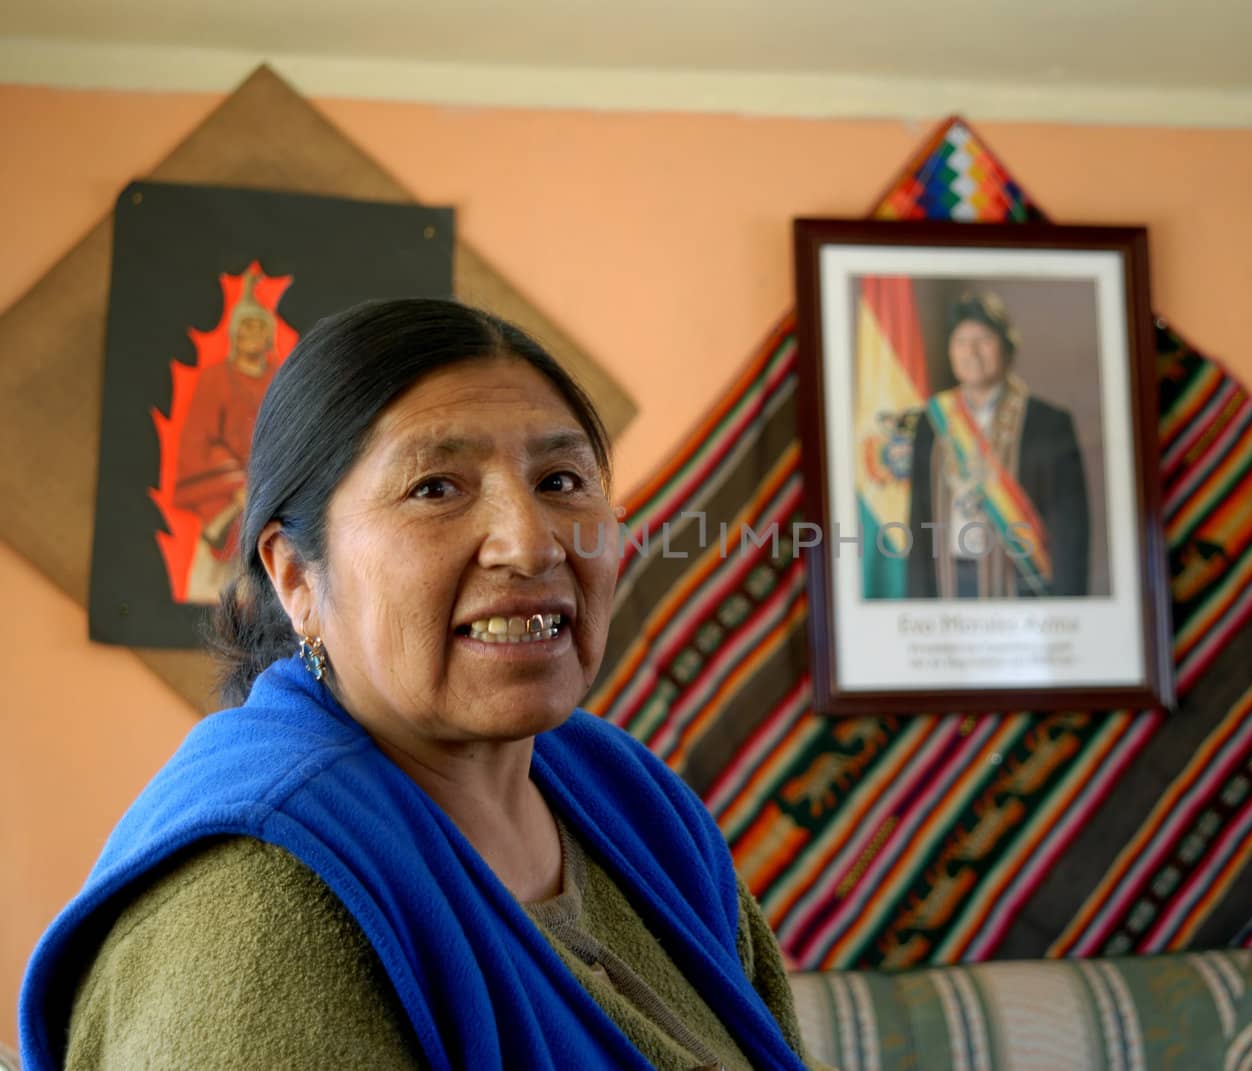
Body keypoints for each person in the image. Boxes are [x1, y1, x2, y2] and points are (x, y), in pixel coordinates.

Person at [21, 300, 823, 1070]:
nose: (530, 545)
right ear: (297, 575)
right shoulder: (252, 908)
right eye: (435, 488)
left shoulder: (631, 797)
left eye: (561, 481)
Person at [905, 290, 1091, 599]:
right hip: (949, 583)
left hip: (1023, 585)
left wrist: (1070, 605)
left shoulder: (1048, 423)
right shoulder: (931, 421)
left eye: (983, 340)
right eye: (961, 342)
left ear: (1007, 348)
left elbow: (1071, 526)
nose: (971, 352)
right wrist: (917, 598)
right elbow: (918, 521)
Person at [170, 268, 283, 604]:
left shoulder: (279, 380)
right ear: (234, 334)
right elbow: (197, 441)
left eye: (259, 327)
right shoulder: (214, 379)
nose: (252, 333)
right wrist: (236, 489)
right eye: (246, 327)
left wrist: (263, 488)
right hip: (224, 504)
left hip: (268, 503)